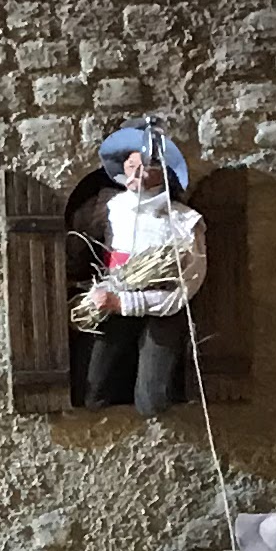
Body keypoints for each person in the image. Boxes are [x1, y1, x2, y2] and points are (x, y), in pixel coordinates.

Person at [73, 141, 203, 414]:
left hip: (161, 307)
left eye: (145, 168)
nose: (135, 173)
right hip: (113, 294)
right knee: (92, 387)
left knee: (152, 399)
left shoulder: (184, 220)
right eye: (131, 166)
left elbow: (185, 286)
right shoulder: (110, 206)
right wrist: (87, 286)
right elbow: (75, 242)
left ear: (164, 173)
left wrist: (125, 303)